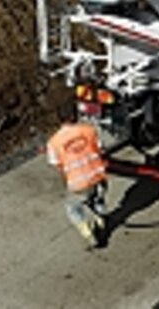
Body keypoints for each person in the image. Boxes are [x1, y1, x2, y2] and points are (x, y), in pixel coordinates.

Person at [46, 106, 108, 248]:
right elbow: (101, 149)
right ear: (76, 115)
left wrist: (67, 182)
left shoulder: (54, 142)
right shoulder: (89, 130)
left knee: (73, 208)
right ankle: (100, 222)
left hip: (78, 183)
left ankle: (87, 233)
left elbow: (58, 165)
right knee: (98, 199)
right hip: (97, 175)